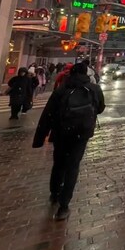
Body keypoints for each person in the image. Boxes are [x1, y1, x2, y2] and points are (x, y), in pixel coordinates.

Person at [33, 62, 105, 221]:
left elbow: (48, 114)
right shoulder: (94, 89)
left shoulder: (62, 89)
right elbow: (100, 108)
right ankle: (64, 206)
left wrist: (40, 137)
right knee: (73, 166)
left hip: (61, 133)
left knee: (59, 163)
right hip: (82, 133)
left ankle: (54, 193)